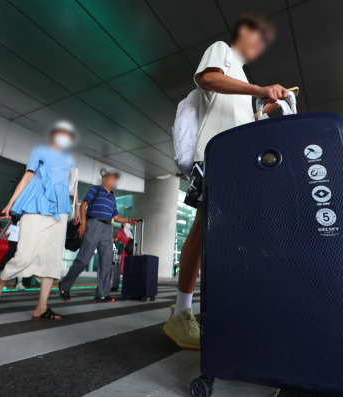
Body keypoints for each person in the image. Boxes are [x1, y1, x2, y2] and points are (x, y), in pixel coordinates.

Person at [164, 11, 285, 350]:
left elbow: (237, 121)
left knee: (226, 236)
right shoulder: (222, 51)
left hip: (238, 161)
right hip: (218, 157)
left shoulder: (244, 81)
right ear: (243, 31)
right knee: (203, 232)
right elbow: (207, 79)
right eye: (258, 38)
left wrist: (262, 110)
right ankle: (181, 314)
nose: (260, 46)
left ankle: (220, 310)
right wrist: (260, 89)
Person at [0, 121, 79, 320]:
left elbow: (71, 186)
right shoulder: (39, 150)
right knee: (24, 255)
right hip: (37, 205)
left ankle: (42, 307)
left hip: (60, 211)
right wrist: (11, 203)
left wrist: (76, 208)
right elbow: (27, 176)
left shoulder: (70, 157)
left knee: (52, 259)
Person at [59, 172, 138, 303]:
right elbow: (84, 205)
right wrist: (83, 223)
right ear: (105, 179)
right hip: (93, 225)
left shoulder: (112, 198)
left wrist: (129, 219)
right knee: (83, 260)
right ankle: (65, 285)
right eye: (113, 179)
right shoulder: (95, 190)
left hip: (107, 229)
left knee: (106, 262)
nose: (115, 182)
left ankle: (102, 294)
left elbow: (116, 217)